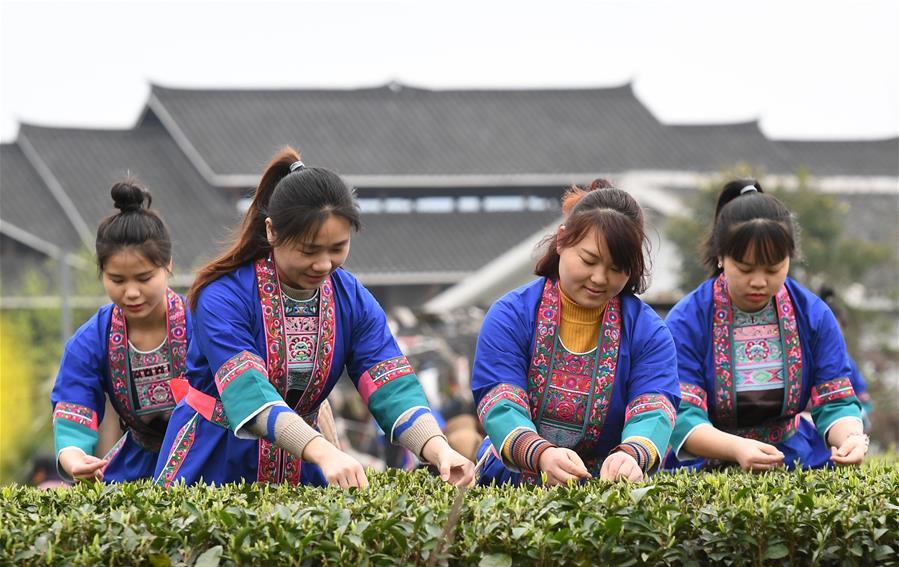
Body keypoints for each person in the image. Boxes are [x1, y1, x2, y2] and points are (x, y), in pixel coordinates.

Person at [153, 147, 474, 488]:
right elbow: (249, 393)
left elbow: (389, 382)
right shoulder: (223, 295)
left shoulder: (349, 297)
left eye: (337, 248)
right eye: (309, 251)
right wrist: (322, 451)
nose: (323, 264)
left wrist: (438, 448)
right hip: (215, 459)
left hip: (306, 466)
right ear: (272, 232)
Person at [472, 179, 679, 486]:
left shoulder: (648, 332)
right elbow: (500, 401)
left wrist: (631, 455)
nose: (599, 278)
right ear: (561, 241)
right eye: (589, 260)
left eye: (616, 267)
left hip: (607, 489)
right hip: (514, 482)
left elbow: (655, 407)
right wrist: (540, 454)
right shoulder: (510, 315)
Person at [664, 179, 867, 471]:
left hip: (797, 457)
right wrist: (736, 448)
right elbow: (681, 413)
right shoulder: (688, 320)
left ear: (790, 258)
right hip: (706, 462)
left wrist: (850, 438)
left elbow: (834, 399)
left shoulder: (813, 315)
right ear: (721, 256)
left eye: (773, 269)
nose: (759, 282)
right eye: (745, 269)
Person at [52, 179, 189, 482]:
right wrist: (75, 458)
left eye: (143, 278)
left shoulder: (202, 324)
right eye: (117, 280)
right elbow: (74, 403)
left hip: (209, 459)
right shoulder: (91, 340)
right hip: (137, 466)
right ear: (102, 273)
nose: (131, 293)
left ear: (168, 265)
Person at [819, 286, 872, 432]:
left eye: (837, 330)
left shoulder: (848, 362)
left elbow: (862, 396)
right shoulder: (805, 360)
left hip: (843, 417)